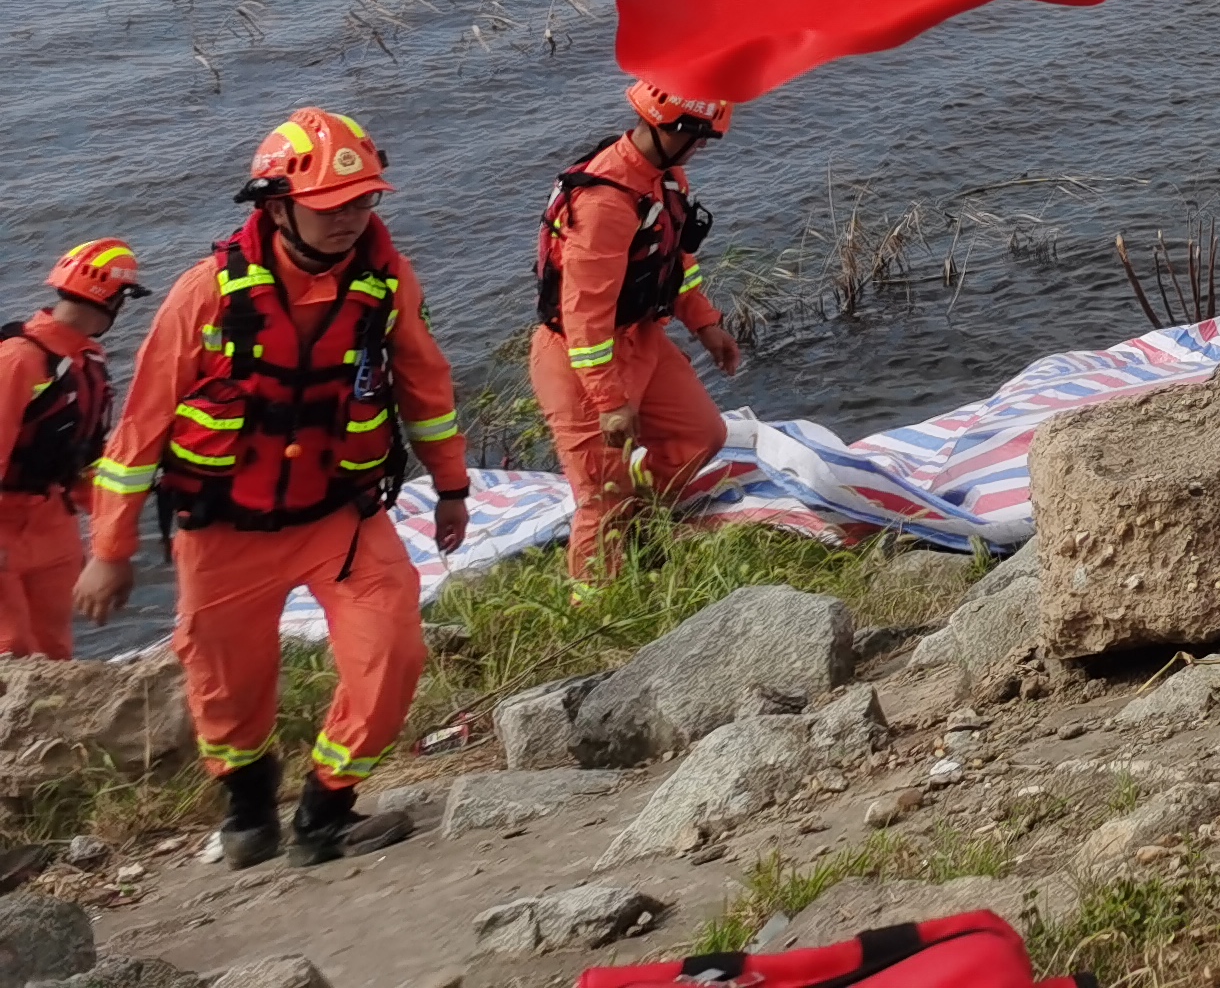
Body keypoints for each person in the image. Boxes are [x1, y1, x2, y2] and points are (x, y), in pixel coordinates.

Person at [76, 109, 468, 868]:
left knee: (391, 653)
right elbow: (139, 430)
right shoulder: (207, 294)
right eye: (330, 206)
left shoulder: (383, 281)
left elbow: (426, 384)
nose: (350, 219)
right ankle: (248, 805)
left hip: (337, 516)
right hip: (224, 525)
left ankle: (326, 813)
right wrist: (111, 548)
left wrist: (451, 487)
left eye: (362, 202)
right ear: (276, 204)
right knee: (226, 681)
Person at [530, 78, 745, 582]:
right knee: (601, 495)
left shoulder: (665, 179)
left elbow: (676, 260)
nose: (701, 149)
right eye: (699, 137)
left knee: (701, 434)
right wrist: (607, 399)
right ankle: (597, 608)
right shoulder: (605, 202)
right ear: (670, 126)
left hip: (640, 336)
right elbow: (584, 311)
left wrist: (706, 325)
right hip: (580, 357)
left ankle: (642, 523)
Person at [0, 239, 148, 658]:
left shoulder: (88, 364)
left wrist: (112, 536)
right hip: (6, 526)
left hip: (55, 527)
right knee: (10, 651)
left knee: (55, 650)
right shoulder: (16, 361)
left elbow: (88, 461)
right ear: (114, 300)